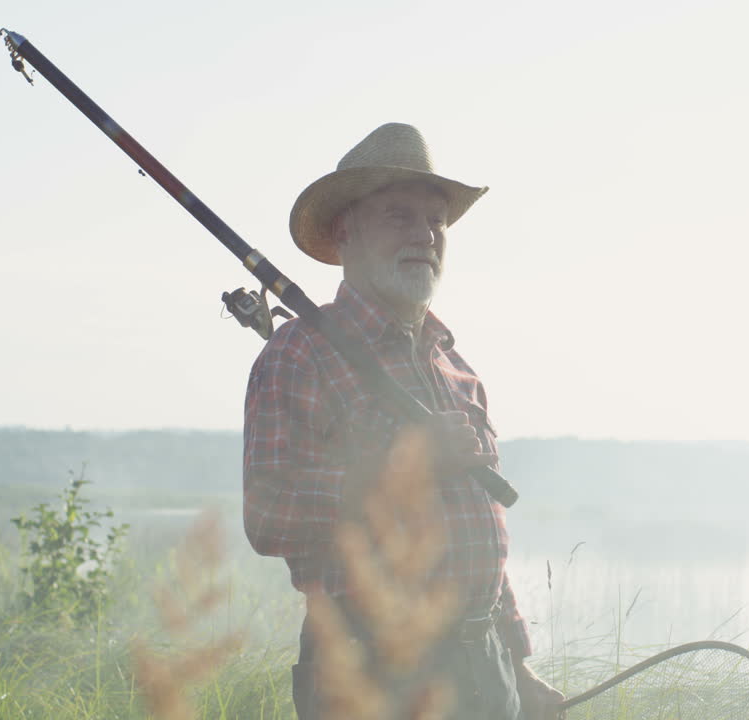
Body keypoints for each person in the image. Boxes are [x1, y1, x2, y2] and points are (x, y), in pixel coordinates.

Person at [242, 123, 564, 719]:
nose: (424, 234)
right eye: (399, 215)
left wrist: (518, 669)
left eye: (436, 220)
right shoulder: (298, 354)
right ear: (345, 230)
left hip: (484, 669)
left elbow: (477, 527)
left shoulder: (457, 367)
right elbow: (268, 516)